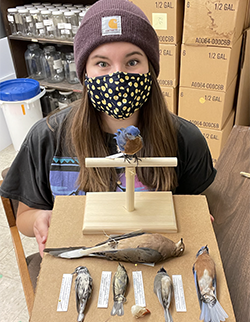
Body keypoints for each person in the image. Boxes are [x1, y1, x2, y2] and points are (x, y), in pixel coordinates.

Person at [0, 0, 216, 259]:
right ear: (84, 72)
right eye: (102, 64)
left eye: (132, 62)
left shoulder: (186, 140)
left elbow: (197, 209)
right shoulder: (46, 137)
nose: (118, 76)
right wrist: (40, 219)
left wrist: (199, 220)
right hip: (80, 258)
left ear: (151, 68)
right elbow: (24, 216)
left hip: (156, 260)